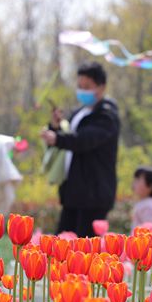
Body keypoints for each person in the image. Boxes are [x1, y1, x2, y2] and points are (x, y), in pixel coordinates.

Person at [41, 62, 120, 238]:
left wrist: (58, 138)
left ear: (101, 87)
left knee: (85, 250)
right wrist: (55, 127)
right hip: (73, 192)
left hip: (93, 193)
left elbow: (85, 139)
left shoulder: (107, 115)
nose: (82, 91)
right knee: (61, 243)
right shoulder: (80, 113)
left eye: (87, 87)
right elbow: (67, 136)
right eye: (79, 86)